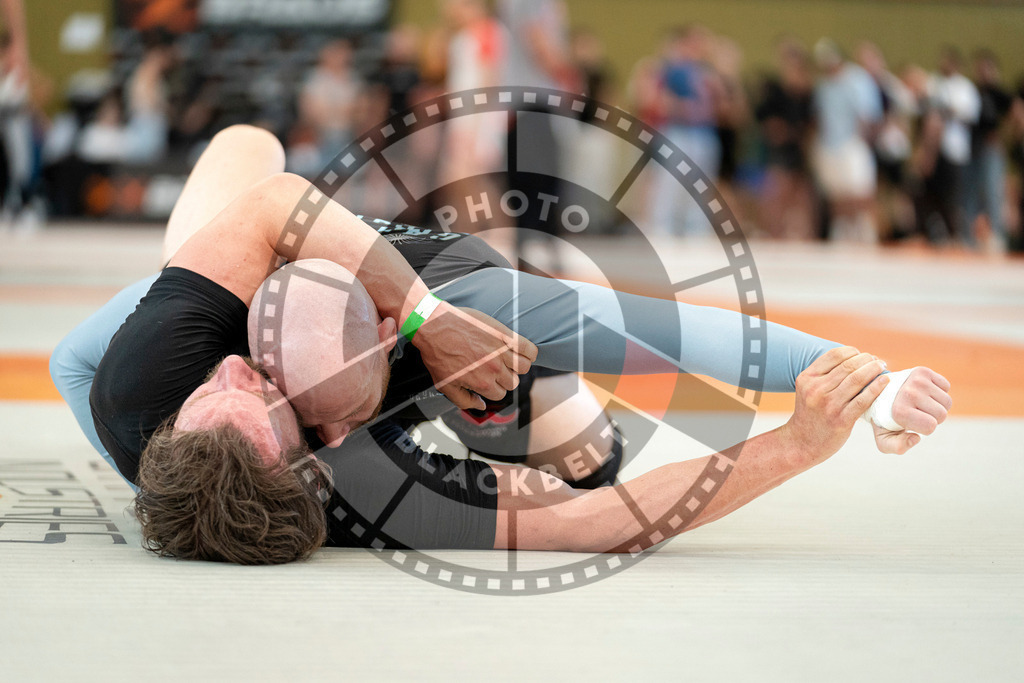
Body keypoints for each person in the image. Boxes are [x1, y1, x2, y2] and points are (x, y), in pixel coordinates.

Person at [51, 125, 952, 563]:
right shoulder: (352, 490)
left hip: (431, 292)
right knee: (589, 471)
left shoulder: (156, 376)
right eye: (256, 390)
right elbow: (599, 523)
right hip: (397, 367)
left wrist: (425, 318)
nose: (238, 369)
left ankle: (205, 281)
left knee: (242, 152)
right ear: (319, 452)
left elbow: (656, 333)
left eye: (232, 379)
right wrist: (800, 440)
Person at [811, 38, 883, 243]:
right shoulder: (823, 85)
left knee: (859, 189)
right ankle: (843, 229)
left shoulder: (856, 79)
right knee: (837, 192)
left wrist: (863, 141)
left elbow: (868, 114)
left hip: (852, 143)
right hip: (829, 144)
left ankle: (864, 229)